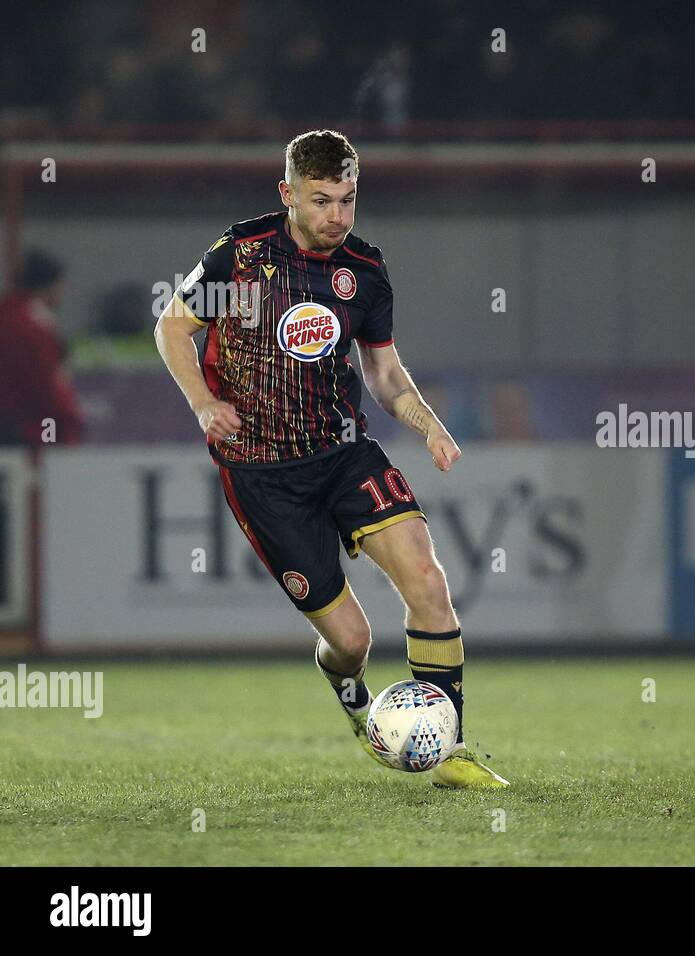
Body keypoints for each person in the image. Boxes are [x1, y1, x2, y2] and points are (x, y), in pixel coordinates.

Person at [154, 129, 506, 788]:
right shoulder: (241, 258)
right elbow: (172, 327)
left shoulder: (364, 272)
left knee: (429, 584)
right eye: (321, 201)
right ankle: (354, 701)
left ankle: (448, 748)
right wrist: (203, 405)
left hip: (343, 454)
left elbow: (385, 374)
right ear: (287, 194)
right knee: (351, 642)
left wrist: (428, 425)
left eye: (348, 200)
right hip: (261, 471)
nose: (337, 217)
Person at [0, 251, 84, 447]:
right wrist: (66, 423)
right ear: (52, 285)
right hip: (29, 428)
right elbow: (46, 382)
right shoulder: (35, 324)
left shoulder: (8, 315)